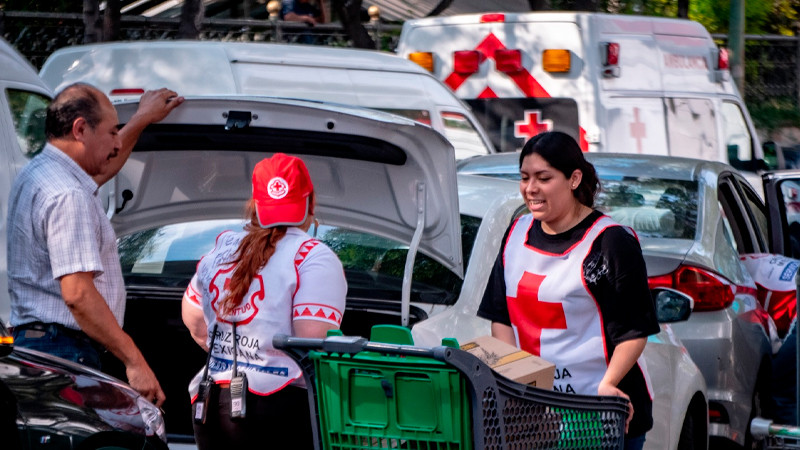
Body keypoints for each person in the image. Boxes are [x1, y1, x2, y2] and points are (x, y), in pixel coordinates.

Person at [477, 131, 659, 449]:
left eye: (543, 178)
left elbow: (634, 331)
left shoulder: (611, 242)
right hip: (536, 416)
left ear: (574, 179)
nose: (530, 189)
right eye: (524, 178)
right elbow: (501, 317)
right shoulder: (516, 234)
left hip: (601, 414)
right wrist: (518, 385)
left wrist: (609, 384)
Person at [7, 83, 184, 407]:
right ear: (80, 129)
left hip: (39, 346)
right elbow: (77, 294)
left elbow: (104, 165)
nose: (117, 144)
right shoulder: (67, 195)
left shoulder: (40, 173)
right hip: (64, 350)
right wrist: (135, 361)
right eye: (112, 132)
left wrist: (141, 120)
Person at [182, 153, 347, 449]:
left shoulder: (223, 246)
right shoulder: (312, 256)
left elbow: (194, 320)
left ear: (255, 205)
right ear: (310, 203)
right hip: (277, 410)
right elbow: (311, 342)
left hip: (210, 405)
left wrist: (236, 354)